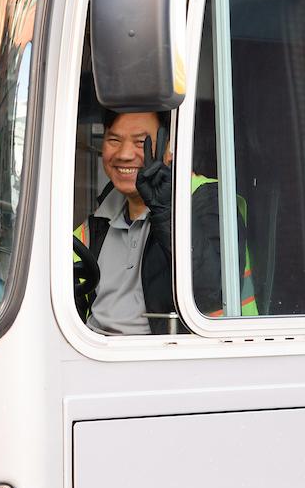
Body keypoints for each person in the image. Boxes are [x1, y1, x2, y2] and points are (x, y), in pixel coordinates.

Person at [74, 108, 223, 334]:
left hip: (164, 360)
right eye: (113, 139)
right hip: (92, 350)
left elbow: (212, 292)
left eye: (141, 142)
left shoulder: (208, 200)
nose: (124, 154)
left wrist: (165, 212)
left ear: (169, 148)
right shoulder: (99, 219)